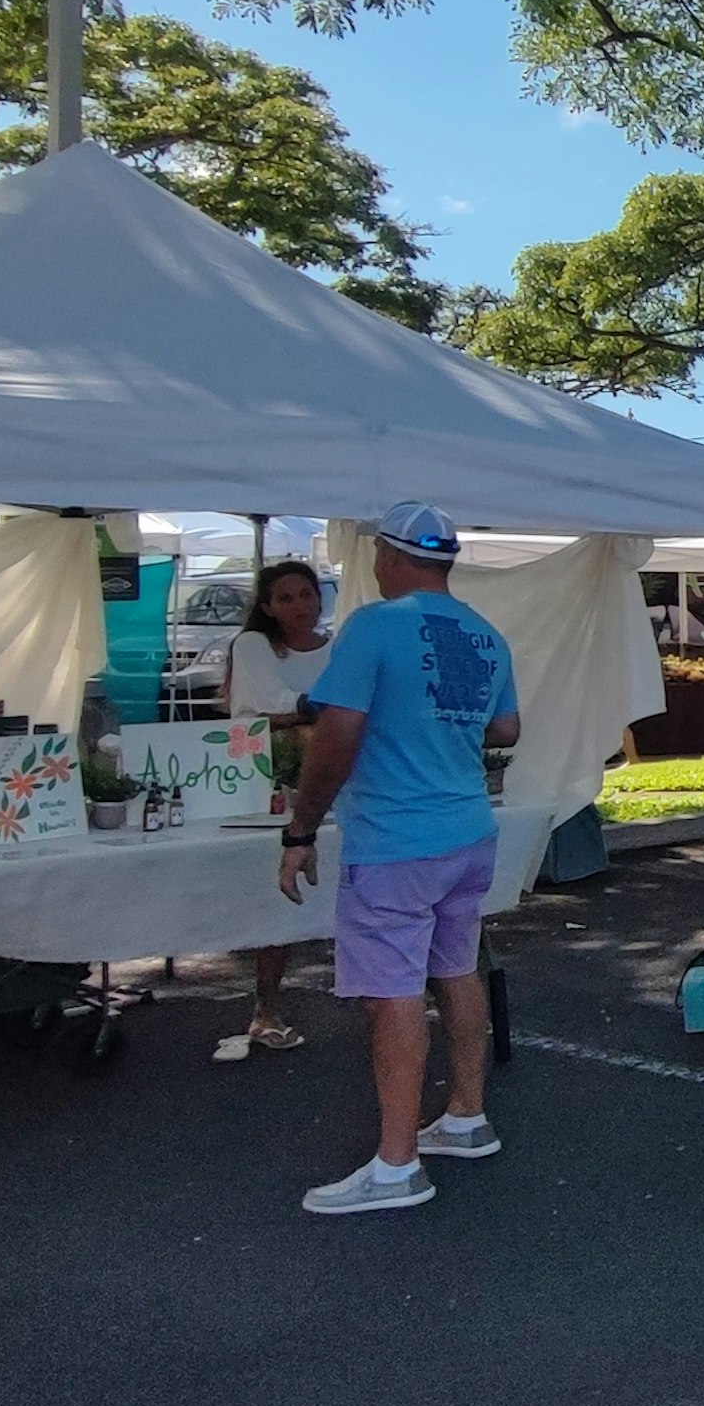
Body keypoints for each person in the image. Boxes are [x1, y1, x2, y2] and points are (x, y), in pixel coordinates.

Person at [279, 504, 522, 1216]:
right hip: (467, 828)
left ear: (389, 557)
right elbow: (505, 726)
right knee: (455, 966)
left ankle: (396, 1166)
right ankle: (467, 1117)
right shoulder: (486, 635)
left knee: (392, 991)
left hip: (394, 838)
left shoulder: (375, 625)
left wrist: (301, 829)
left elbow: (335, 734)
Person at [216, 560, 336, 1065]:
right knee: (278, 895)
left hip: (336, 781)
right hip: (268, 782)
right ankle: (266, 1007)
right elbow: (269, 706)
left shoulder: (338, 646)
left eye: (306, 594)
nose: (299, 606)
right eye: (285, 598)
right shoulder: (252, 646)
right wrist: (319, 712)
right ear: (266, 607)